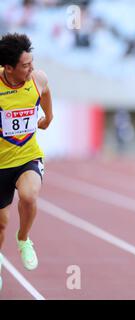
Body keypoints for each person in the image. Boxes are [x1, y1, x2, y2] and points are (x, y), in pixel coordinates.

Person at [0, 33, 53, 291]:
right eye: (25, 66)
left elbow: (46, 90)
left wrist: (48, 118)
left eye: (31, 63)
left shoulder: (37, 79)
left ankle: (23, 240)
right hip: (0, 163)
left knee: (30, 195)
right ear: (8, 68)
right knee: (1, 222)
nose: (31, 69)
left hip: (27, 155)